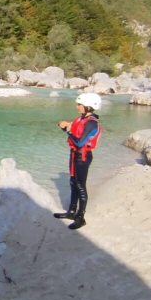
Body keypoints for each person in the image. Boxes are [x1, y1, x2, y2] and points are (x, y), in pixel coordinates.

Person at [54, 92, 102, 230]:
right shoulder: (80, 119)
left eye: (79, 104)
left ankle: (81, 217)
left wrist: (68, 131)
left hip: (83, 156)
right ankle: (71, 212)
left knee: (80, 185)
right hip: (75, 154)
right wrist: (64, 126)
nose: (77, 107)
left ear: (88, 106)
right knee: (73, 182)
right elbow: (74, 134)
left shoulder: (91, 123)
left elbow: (80, 142)